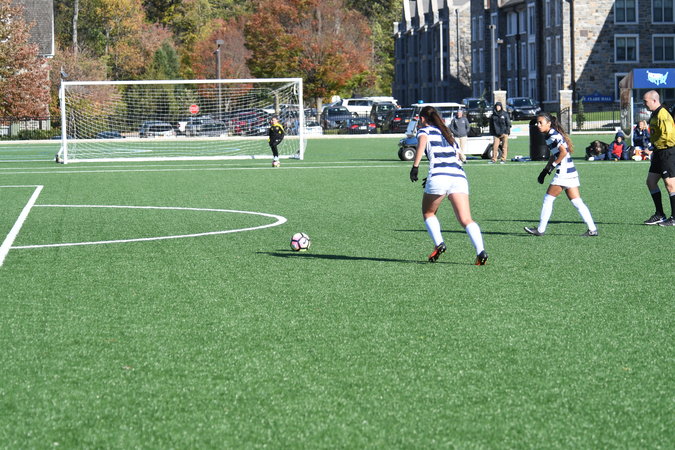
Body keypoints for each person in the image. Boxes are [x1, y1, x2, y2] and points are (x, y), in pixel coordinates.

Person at [409, 106, 488, 265]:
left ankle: (439, 243)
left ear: (422, 119)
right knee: (466, 219)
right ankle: (481, 251)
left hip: (439, 176)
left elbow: (421, 146)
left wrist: (415, 167)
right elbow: (458, 156)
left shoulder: (424, 131)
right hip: (458, 176)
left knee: (428, 213)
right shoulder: (447, 133)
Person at [524, 112, 598, 237]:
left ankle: (540, 230)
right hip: (570, 171)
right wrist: (545, 170)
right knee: (577, 202)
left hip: (564, 172)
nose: (538, 125)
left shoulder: (553, 135)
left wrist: (553, 166)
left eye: (540, 122)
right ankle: (592, 229)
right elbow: (555, 154)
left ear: (549, 123)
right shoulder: (549, 135)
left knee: (548, 199)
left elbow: (563, 152)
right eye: (537, 123)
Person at [641, 90, 675, 226]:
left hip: (667, 152)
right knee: (651, 182)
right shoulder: (654, 114)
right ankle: (660, 214)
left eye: (646, 101)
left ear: (654, 100)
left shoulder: (663, 114)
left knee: (670, 185)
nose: (644, 104)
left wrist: (651, 147)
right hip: (658, 152)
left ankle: (674, 218)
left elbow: (668, 136)